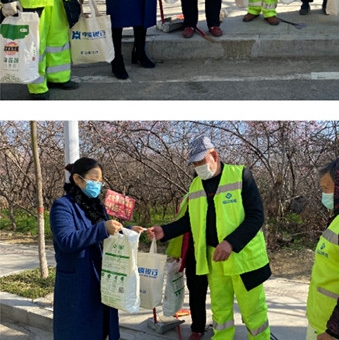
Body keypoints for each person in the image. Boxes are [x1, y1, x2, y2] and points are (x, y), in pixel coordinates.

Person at [148, 135, 271, 340]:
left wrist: (231, 242)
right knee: (220, 310)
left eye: (200, 162)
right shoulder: (196, 185)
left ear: (214, 155)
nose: (198, 167)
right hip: (214, 258)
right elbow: (190, 220)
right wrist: (165, 231)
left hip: (245, 260)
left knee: (253, 311)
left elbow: (256, 216)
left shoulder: (241, 175)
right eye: (194, 164)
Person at [50, 157, 144, 340]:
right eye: (94, 180)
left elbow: (108, 231)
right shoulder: (62, 206)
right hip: (78, 282)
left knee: (101, 329)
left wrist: (127, 230)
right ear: (78, 179)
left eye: (100, 181)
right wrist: (102, 229)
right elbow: (66, 240)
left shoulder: (97, 206)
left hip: (102, 278)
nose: (98, 185)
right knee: (78, 331)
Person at [307, 155, 339, 340]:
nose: (324, 195)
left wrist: (336, 330)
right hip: (323, 322)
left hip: (335, 331)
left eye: (326, 188)